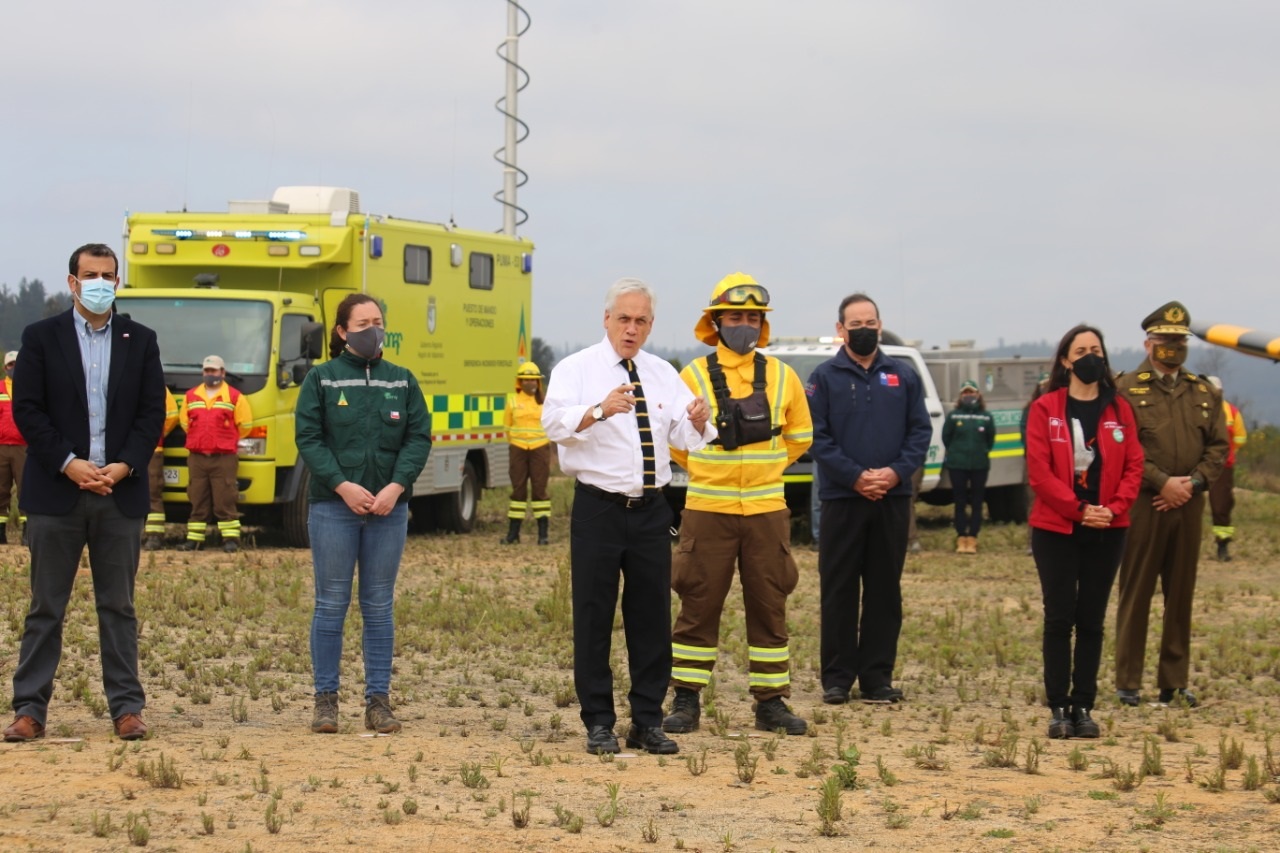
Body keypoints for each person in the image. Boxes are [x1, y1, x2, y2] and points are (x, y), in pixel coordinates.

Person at [542, 278, 714, 755]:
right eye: (624, 319)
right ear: (606, 319)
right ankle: (599, 721)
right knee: (595, 616)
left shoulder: (661, 373)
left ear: (651, 325)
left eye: (641, 321)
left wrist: (698, 418)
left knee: (650, 618)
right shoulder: (576, 369)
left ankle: (646, 721)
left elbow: (688, 430)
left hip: (650, 511)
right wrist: (599, 410)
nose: (631, 328)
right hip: (599, 507)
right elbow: (552, 422)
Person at [4, 243, 165, 742]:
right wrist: (70, 464)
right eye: (90, 274)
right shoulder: (40, 338)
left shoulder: (140, 339)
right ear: (72, 282)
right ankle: (30, 710)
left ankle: (127, 709)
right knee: (45, 606)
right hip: (57, 492)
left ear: (118, 281)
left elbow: (150, 414)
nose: (100, 282)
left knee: (117, 605)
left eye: (108, 274)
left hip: (119, 493)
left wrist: (122, 466)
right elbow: (28, 411)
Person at [661, 273, 813, 737]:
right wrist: (716, 473)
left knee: (770, 604)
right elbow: (676, 441)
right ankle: (685, 700)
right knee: (698, 603)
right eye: (735, 317)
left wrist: (763, 471)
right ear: (716, 321)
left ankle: (771, 704)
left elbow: (800, 436)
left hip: (767, 510)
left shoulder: (785, 376)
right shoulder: (691, 376)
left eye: (752, 317)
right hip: (708, 510)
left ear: (761, 325)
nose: (743, 324)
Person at [295, 293, 431, 735]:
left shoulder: (403, 381)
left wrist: (396, 487)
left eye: (378, 320)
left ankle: (378, 701)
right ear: (342, 332)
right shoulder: (323, 378)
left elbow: (418, 438)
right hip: (334, 508)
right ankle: (325, 701)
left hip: (389, 510)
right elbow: (309, 438)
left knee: (378, 605)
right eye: (363, 323)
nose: (373, 329)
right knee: (331, 603)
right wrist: (342, 485)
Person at [808, 293, 931, 705]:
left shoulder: (902, 375)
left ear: (880, 325)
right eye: (855, 324)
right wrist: (856, 476)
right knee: (839, 588)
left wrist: (895, 473)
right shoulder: (824, 377)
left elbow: (920, 432)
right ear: (840, 329)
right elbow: (818, 438)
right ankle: (837, 678)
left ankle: (877, 677)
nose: (864, 330)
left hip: (891, 499)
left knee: (883, 590)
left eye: (870, 322)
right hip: (843, 498)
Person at [1026, 325, 1143, 739]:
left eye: (1096, 349)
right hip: (1057, 528)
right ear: (1065, 360)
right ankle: (1058, 706)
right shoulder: (1046, 407)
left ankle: (1084, 706)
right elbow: (1039, 473)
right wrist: (1079, 510)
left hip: (1108, 528)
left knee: (1092, 620)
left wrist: (1111, 509)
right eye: (1081, 350)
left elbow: (1133, 466)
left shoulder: (1120, 409)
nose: (1090, 356)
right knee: (1060, 618)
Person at [1114, 301, 1228, 708]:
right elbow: (1123, 446)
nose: (1173, 347)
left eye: (1179, 340)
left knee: (1180, 594)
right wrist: (1162, 482)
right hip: (1145, 503)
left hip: (1188, 503)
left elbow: (1218, 445)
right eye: (1164, 340)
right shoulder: (1126, 389)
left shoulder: (1203, 391)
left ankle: (1173, 682)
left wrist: (1194, 483)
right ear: (1148, 343)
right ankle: (1127, 680)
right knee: (1137, 590)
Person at [178, 355, 252, 552]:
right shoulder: (191, 395)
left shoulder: (235, 397)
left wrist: (224, 439)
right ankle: (194, 540)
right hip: (197, 457)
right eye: (207, 371)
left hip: (224, 457)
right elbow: (185, 423)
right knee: (197, 498)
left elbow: (245, 425)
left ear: (222, 373)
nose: (210, 374)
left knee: (225, 498)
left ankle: (230, 541)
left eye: (214, 371)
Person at [942, 380, 995, 554]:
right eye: (965, 393)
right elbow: (946, 437)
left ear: (978, 395)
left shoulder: (986, 416)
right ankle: (961, 536)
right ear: (960, 396)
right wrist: (956, 452)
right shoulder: (954, 416)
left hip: (979, 464)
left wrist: (981, 451)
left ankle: (973, 536)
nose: (968, 396)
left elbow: (990, 439)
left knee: (977, 501)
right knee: (960, 500)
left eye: (971, 392)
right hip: (957, 464)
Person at [502, 362, 552, 545]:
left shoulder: (545, 402)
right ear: (520, 381)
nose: (530, 382)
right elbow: (507, 428)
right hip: (518, 448)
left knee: (540, 490)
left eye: (533, 379)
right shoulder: (513, 401)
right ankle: (513, 534)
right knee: (518, 490)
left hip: (540, 448)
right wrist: (517, 443)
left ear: (538, 382)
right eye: (526, 379)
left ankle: (543, 534)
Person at [1205, 376, 1247, 562]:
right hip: (1193, 463)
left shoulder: (1231, 411)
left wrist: (1227, 454)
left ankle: (1223, 545)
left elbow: (1240, 438)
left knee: (1221, 506)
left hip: (1222, 465)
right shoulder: (1195, 408)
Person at [142, 387, 179, 550]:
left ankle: (154, 536)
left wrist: (154, 434)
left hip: (151, 449)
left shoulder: (156, 384)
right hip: (121, 450)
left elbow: (171, 415)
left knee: (152, 491)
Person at [1, 350, 27, 545]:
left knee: (25, 489)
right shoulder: (0, 388)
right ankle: (1, 532)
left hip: (24, 447)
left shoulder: (30, 388)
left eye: (16, 364)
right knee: (0, 489)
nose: (13, 368)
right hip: (1, 447)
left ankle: (27, 531)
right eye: (10, 365)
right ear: (5, 368)